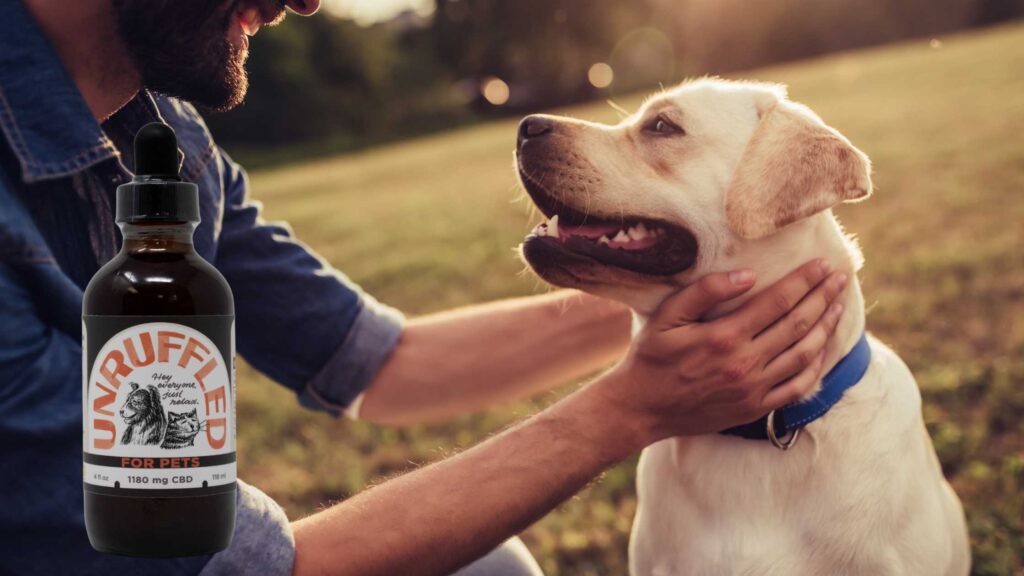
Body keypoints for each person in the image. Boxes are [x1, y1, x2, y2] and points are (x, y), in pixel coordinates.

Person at [0, 0, 848, 574]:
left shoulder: (164, 146)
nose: (307, 1)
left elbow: (383, 362)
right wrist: (632, 408)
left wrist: (696, 292)